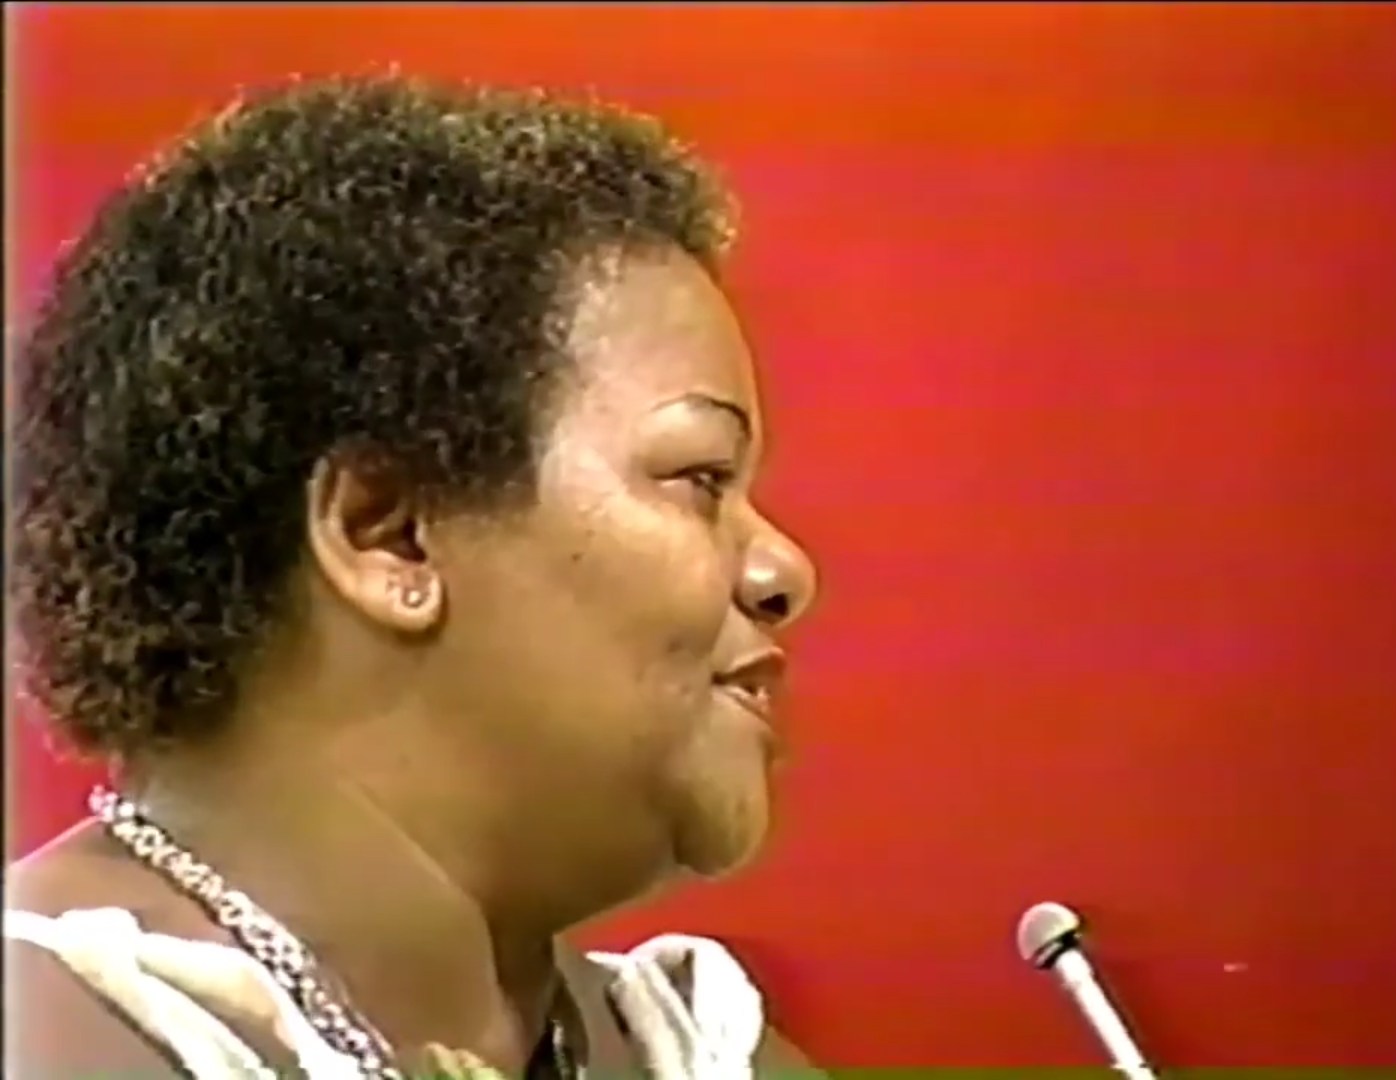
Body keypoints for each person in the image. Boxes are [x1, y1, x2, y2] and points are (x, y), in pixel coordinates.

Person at [6, 74, 821, 1079]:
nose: (785, 570)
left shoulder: (692, 1053)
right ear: (387, 534)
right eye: (699, 478)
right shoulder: (49, 1033)